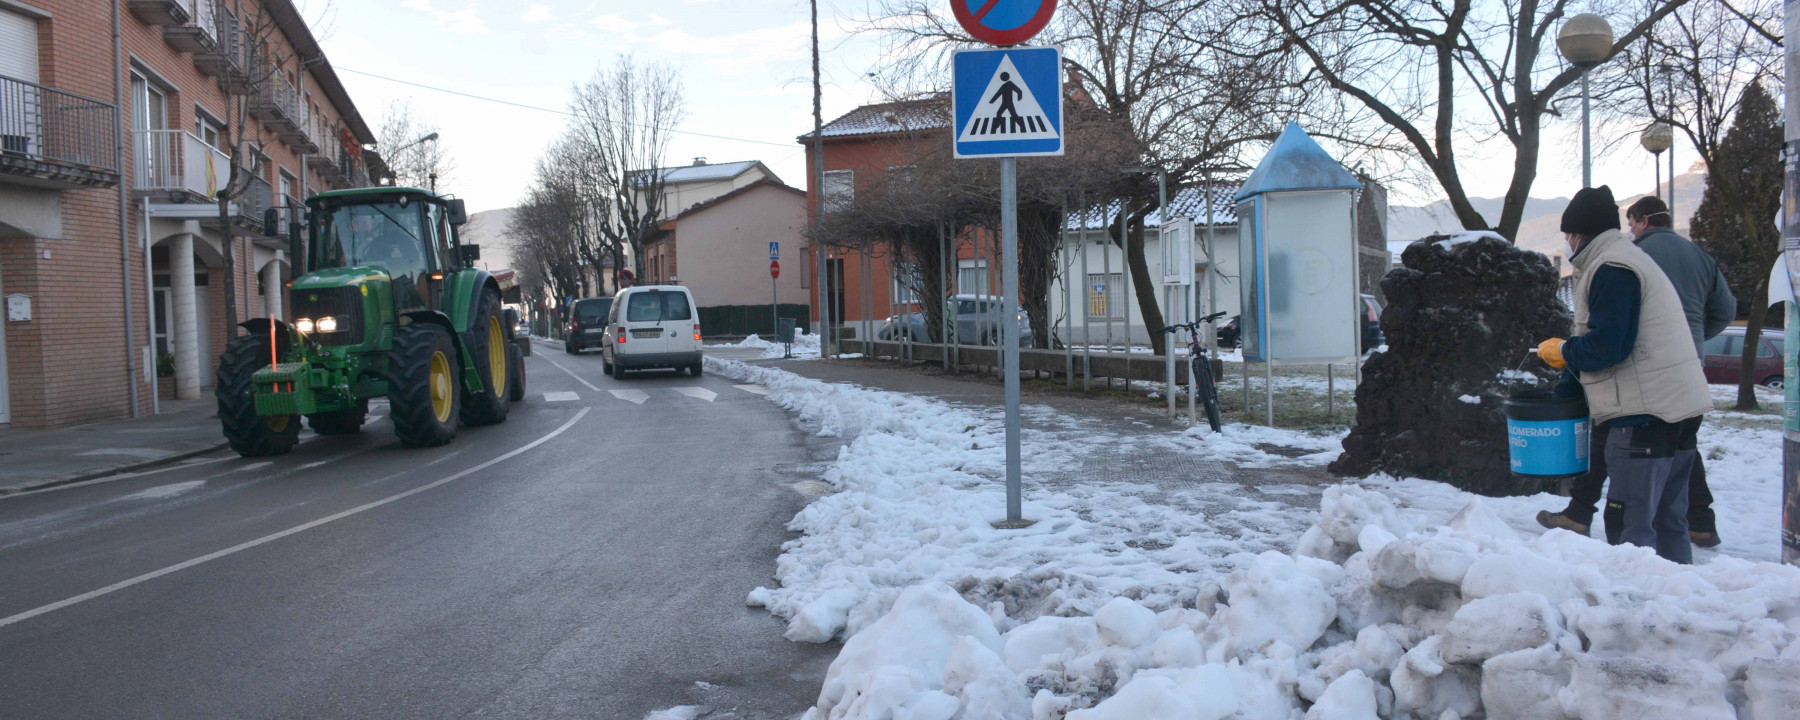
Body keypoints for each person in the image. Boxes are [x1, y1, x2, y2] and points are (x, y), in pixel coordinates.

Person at [1537, 196, 1736, 547]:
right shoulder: (1672, 255)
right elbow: (1725, 309)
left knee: (1631, 523)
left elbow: (1608, 346)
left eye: (1568, 235)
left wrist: (1563, 351)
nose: (1566, 242)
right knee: (1669, 521)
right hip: (1680, 397)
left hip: (1644, 409)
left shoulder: (1613, 266)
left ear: (1580, 234)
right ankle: (1677, 572)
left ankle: (1626, 581)